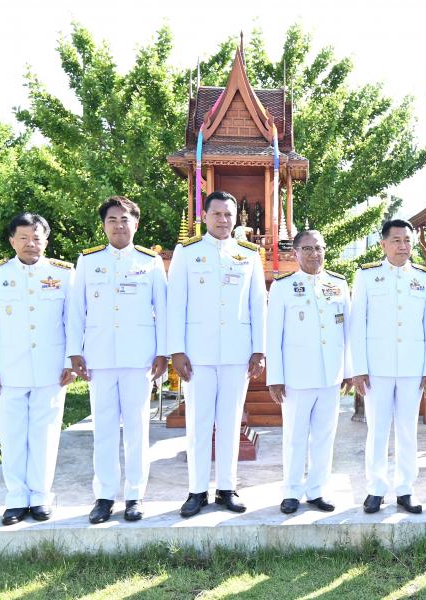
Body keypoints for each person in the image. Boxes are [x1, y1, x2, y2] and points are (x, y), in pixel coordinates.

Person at [66, 196, 168, 524]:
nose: (119, 225)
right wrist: (74, 351)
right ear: (104, 225)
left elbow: (163, 310)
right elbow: (76, 311)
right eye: (112, 220)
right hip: (99, 356)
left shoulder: (150, 261)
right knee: (104, 429)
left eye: (125, 220)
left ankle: (135, 494)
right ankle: (105, 496)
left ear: (136, 224)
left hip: (139, 358)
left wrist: (163, 352)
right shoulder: (88, 261)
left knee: (137, 429)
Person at [167, 190, 267, 518]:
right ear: (205, 216)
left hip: (237, 353)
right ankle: (197, 491)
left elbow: (257, 304)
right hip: (197, 353)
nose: (223, 220)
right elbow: (175, 303)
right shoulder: (187, 252)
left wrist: (259, 349)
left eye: (228, 215)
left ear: (236, 218)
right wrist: (176, 350)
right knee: (198, 423)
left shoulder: (248, 254)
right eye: (217, 214)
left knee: (230, 422)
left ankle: (227, 488)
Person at [0, 212, 76, 525]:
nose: (30, 243)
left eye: (36, 238)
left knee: (46, 434)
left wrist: (70, 362)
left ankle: (41, 496)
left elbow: (72, 322)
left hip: (51, 370)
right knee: (13, 435)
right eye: (23, 238)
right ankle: (16, 498)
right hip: (8, 371)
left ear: (46, 241)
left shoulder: (63, 273)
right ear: (12, 241)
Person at [350, 219, 426, 514]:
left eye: (407, 240)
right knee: (377, 430)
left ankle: (406, 489)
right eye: (396, 240)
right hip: (377, 368)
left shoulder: (424, 278)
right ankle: (375, 488)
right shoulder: (367, 276)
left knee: (407, 431)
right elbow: (357, 325)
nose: (403, 246)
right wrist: (358, 367)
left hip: (412, 367)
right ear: (383, 244)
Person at [267, 229, 351, 515]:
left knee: (325, 436)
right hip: (296, 377)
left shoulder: (339, 284)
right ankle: (291, 491)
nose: (314, 254)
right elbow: (273, 336)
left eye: (319, 248)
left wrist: (348, 370)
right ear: (295, 253)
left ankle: (317, 490)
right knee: (295, 436)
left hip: (330, 375)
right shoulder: (283, 287)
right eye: (307, 249)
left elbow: (348, 331)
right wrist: (275, 377)